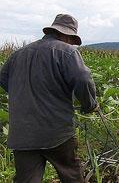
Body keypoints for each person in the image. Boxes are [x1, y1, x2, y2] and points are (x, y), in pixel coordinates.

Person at [0, 14, 98, 182]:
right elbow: (83, 78)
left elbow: (3, 79)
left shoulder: (18, 54)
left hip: (22, 135)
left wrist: (26, 95)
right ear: (67, 35)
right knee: (71, 176)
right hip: (57, 132)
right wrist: (89, 105)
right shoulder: (67, 52)